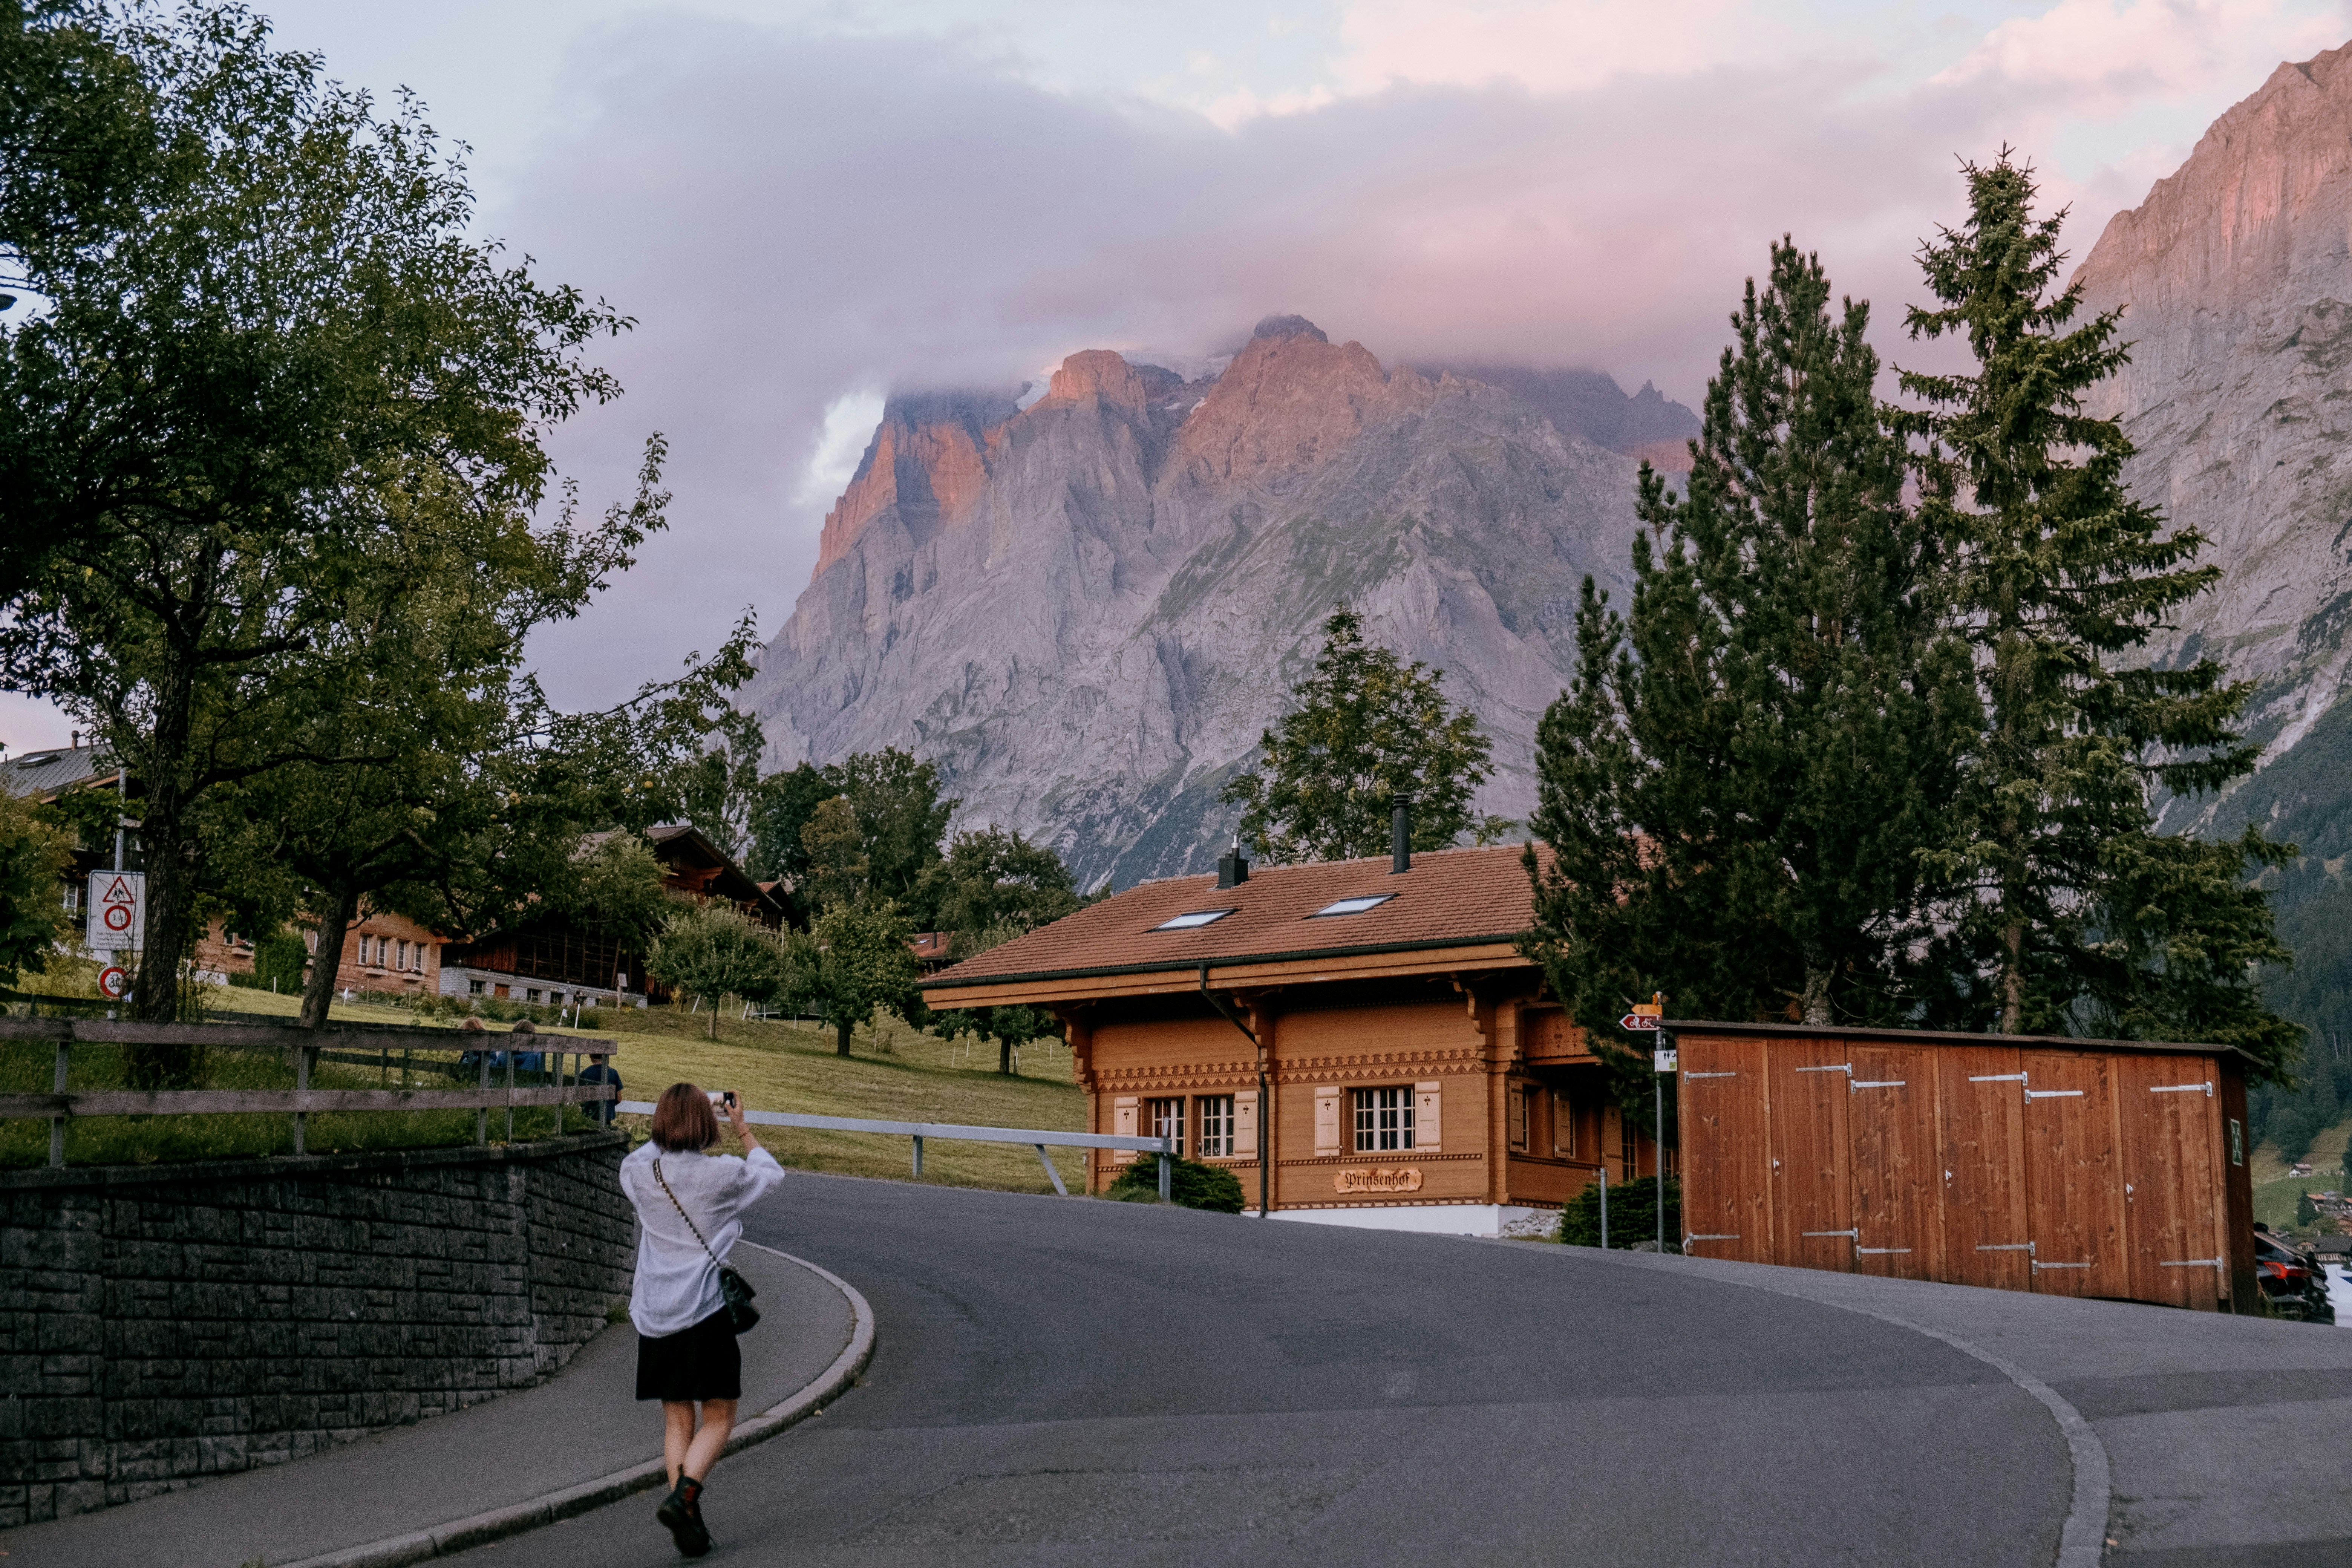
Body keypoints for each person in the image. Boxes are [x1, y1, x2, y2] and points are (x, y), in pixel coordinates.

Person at [619, 1083, 783, 1557]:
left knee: (677, 1417)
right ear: (704, 1124)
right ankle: (684, 1495)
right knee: (720, 1412)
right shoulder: (723, 1174)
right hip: (706, 1310)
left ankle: (689, 1520)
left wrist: (680, 1115)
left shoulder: (640, 1171)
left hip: (656, 1312)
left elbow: (647, 1151)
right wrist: (741, 1126)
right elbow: (771, 1175)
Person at [578, 1051, 623, 1127]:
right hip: (607, 1115)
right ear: (603, 1056)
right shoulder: (613, 1073)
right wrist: (609, 1105)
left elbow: (579, 1097)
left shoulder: (585, 1073)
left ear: (591, 1056)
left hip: (589, 1114)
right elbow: (619, 1099)